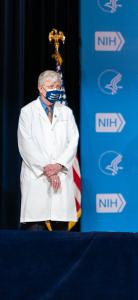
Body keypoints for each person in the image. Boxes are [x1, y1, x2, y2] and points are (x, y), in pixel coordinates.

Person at [17, 70, 79, 231]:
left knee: (61, 234)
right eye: (51, 86)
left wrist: (58, 165)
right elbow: (26, 144)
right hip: (37, 177)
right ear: (41, 88)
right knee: (35, 230)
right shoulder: (27, 112)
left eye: (58, 87)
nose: (55, 90)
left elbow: (73, 141)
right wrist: (48, 170)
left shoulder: (66, 112)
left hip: (61, 175)